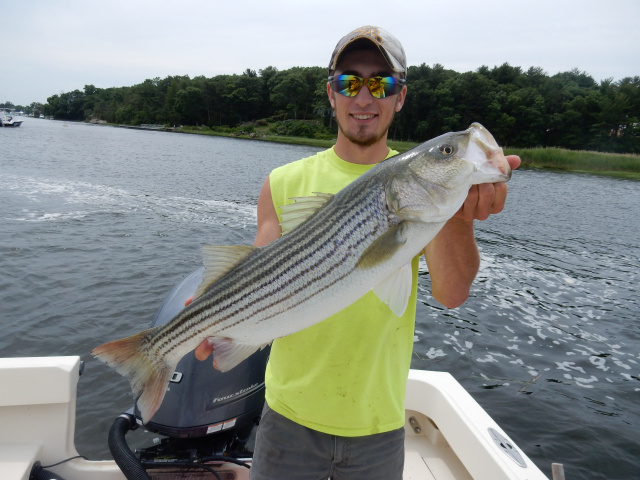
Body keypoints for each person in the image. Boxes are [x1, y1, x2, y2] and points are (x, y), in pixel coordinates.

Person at [196, 25, 521, 479]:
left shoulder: (429, 198)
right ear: (331, 93)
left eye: (381, 84)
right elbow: (258, 276)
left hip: (378, 426)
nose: (364, 98)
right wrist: (211, 311)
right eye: (349, 82)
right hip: (288, 419)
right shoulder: (283, 182)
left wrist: (460, 214)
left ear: (400, 97)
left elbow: (451, 294)